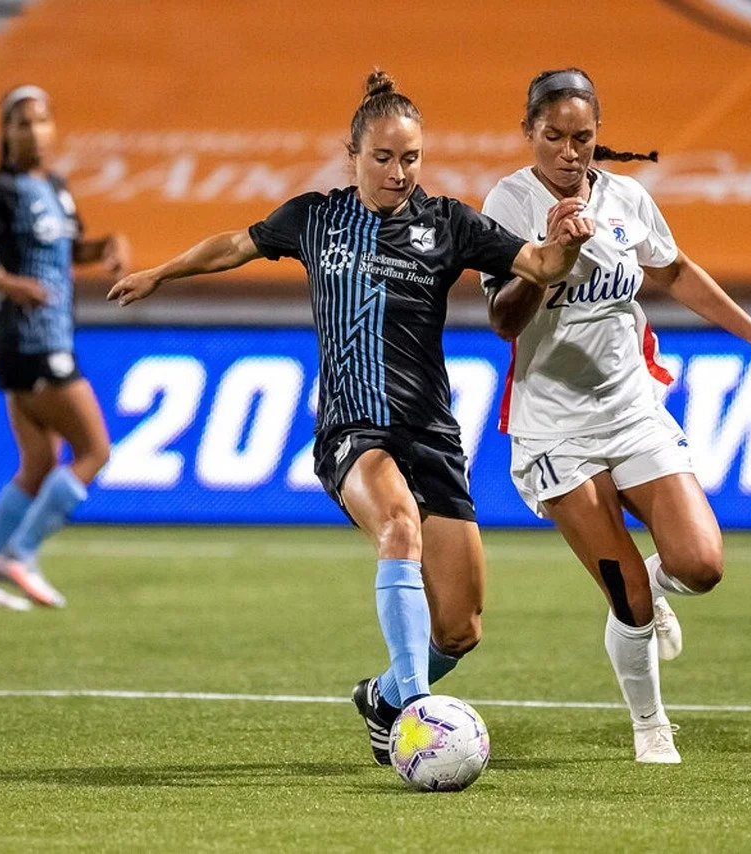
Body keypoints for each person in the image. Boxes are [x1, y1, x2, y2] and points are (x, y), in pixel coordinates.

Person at [108, 71, 594, 765]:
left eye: (412, 158)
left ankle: (387, 696)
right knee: (397, 527)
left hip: (431, 434)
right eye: (384, 158)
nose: (399, 173)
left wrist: (568, 244)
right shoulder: (316, 218)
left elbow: (540, 264)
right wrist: (162, 272)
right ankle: (422, 720)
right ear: (353, 156)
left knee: (460, 630)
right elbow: (235, 244)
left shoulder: (449, 224)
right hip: (353, 430)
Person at [481, 68, 751, 763]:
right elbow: (503, 320)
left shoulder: (627, 198)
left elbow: (673, 271)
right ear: (528, 135)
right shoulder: (508, 203)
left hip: (632, 411)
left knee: (701, 564)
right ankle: (650, 726)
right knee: (625, 592)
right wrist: (552, 258)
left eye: (584, 138)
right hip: (555, 430)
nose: (570, 153)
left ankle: (657, 590)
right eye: (554, 137)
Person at [0, 85, 128, 611]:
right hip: (31, 337)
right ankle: (20, 554)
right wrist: (10, 285)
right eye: (22, 122)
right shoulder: (0, 190)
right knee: (94, 450)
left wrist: (110, 246)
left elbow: (69, 250)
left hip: (42, 337)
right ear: (5, 132)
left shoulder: (55, 186)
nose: (34, 131)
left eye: (42, 120)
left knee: (39, 464)